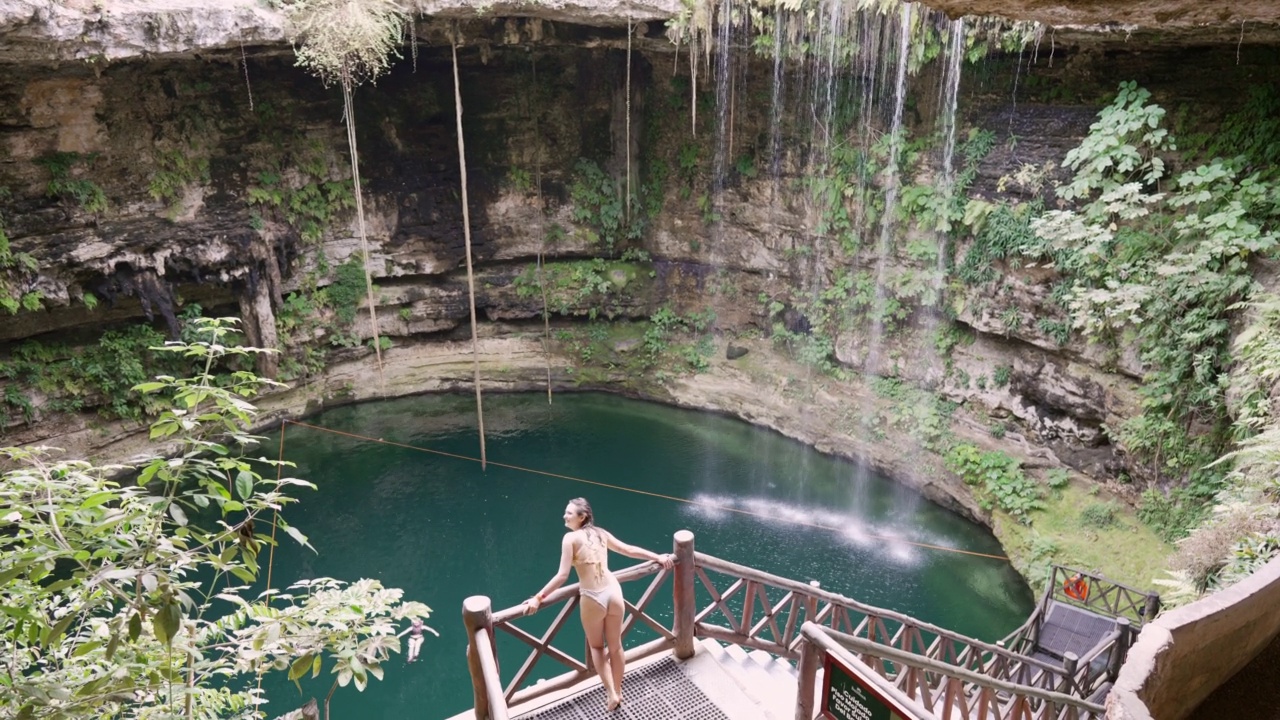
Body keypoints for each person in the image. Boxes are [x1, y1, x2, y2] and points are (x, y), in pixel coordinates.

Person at [523, 497, 675, 712]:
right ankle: (620, 691)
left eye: (568, 513)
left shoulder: (570, 539)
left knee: (597, 647)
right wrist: (657, 556)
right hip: (613, 592)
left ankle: (612, 693)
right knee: (616, 646)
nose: (564, 516)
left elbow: (562, 576)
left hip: (593, 597)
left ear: (582, 517)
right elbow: (628, 550)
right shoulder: (600, 533)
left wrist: (538, 598)